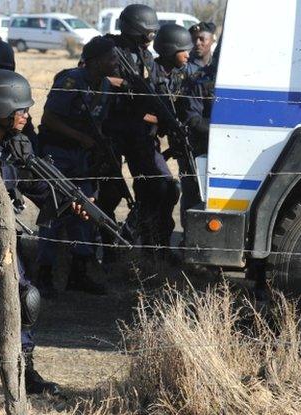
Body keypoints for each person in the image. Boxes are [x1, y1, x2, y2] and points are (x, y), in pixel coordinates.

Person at [0, 69, 92, 400]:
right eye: (20, 109)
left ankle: (25, 370)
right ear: (0, 108)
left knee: (26, 297)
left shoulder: (16, 142)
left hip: (0, 231)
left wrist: (69, 202)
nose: (26, 116)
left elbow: (36, 183)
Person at [35, 37, 118, 298]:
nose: (115, 62)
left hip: (82, 157)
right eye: (110, 58)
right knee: (55, 212)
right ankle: (44, 274)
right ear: (95, 61)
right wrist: (79, 137)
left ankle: (78, 273)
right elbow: (49, 117)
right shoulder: (71, 81)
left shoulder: (104, 85)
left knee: (85, 211)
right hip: (58, 153)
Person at [104, 4, 180, 254]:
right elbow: (88, 76)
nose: (150, 39)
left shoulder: (146, 58)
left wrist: (164, 118)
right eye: (147, 33)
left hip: (139, 130)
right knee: (109, 191)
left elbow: (152, 93)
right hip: (110, 129)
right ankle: (101, 247)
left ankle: (143, 235)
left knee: (162, 185)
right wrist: (124, 85)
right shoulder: (106, 47)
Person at [152, 24, 210, 234]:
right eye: (183, 50)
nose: (189, 53)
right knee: (167, 189)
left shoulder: (184, 74)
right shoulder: (150, 73)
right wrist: (163, 121)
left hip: (183, 141)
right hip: (145, 140)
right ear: (169, 50)